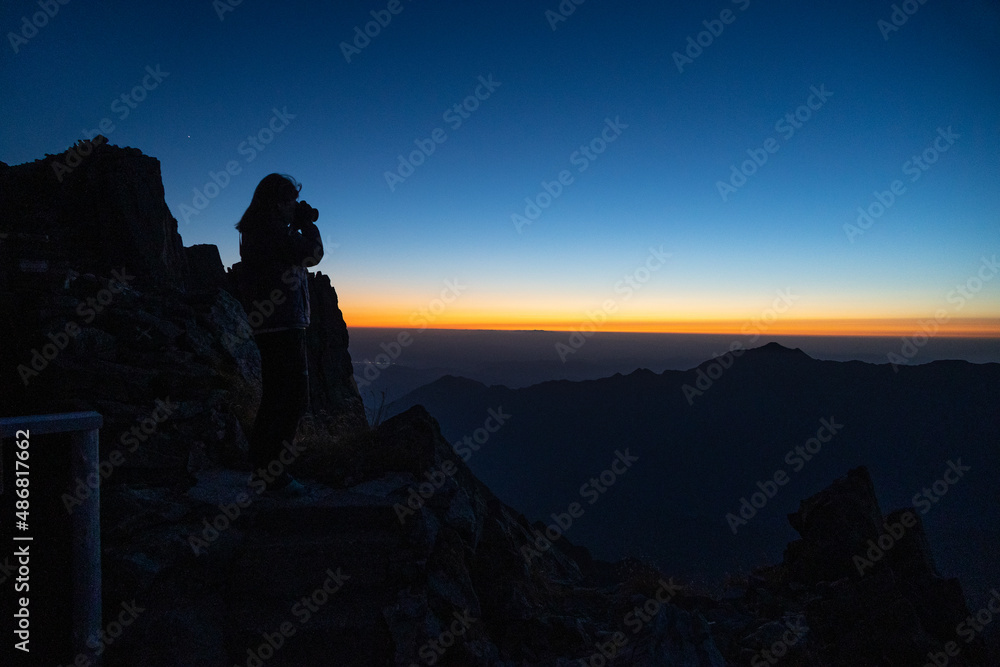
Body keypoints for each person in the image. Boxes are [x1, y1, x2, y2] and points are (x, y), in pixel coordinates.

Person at [235, 173, 323, 494]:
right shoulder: (271, 231)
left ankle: (262, 468)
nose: (294, 207)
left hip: (272, 324)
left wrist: (295, 224)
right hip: (283, 324)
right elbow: (312, 254)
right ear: (277, 202)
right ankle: (274, 474)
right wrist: (308, 226)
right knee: (294, 398)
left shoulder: (260, 231)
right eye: (290, 201)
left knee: (276, 396)